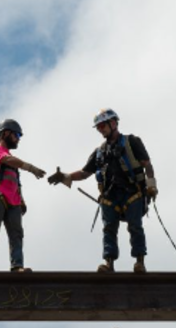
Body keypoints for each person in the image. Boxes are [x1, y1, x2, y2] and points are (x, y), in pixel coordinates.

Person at [48, 108, 158, 273]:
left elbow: (146, 164)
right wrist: (64, 176)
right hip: (109, 197)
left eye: (103, 126)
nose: (101, 129)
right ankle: (109, 263)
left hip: (132, 192)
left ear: (113, 123)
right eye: (98, 127)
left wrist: (151, 185)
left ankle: (139, 262)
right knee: (109, 229)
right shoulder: (99, 152)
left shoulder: (131, 142)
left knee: (135, 227)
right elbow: (85, 173)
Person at [0, 119, 45, 273]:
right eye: (16, 135)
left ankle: (17, 266)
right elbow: (7, 160)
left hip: (13, 202)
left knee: (16, 235)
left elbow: (15, 182)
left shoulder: (13, 161)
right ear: (5, 134)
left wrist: (21, 200)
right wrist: (29, 167)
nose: (18, 139)